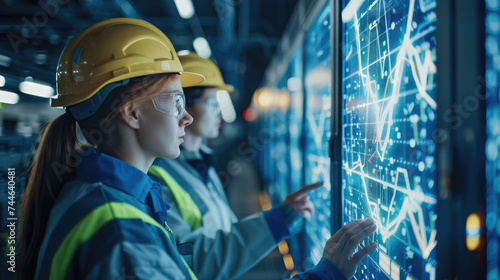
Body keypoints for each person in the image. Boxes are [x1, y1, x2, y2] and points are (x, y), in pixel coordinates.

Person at [18, 17, 376, 280]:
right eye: (175, 102)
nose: (185, 117)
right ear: (131, 113)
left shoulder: (93, 195)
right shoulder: (121, 228)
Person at [148, 52, 323, 279]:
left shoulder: (203, 164)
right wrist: (278, 220)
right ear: (183, 106)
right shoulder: (156, 178)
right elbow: (193, 261)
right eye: (212, 105)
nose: (220, 114)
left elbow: (225, 231)